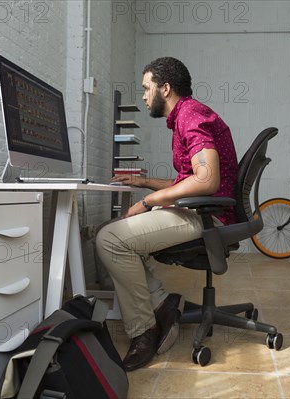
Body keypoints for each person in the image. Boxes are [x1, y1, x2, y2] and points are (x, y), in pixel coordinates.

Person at [95, 57, 239, 371]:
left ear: (165, 88)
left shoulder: (189, 113)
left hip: (207, 215)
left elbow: (207, 179)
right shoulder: (187, 115)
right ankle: (162, 302)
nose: (144, 96)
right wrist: (144, 182)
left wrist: (149, 202)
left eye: (146, 88)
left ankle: (143, 331)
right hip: (205, 209)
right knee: (115, 230)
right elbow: (191, 179)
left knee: (110, 238)